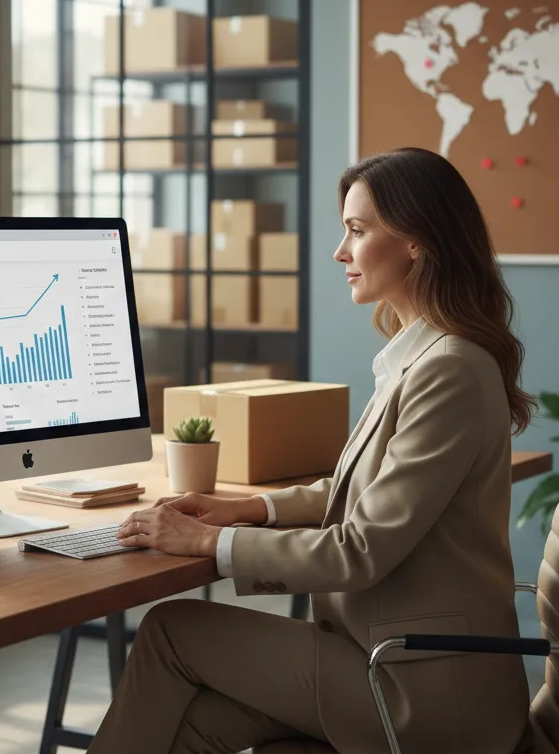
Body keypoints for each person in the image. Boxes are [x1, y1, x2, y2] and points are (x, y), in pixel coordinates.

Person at [88, 147, 538, 754]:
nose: (340, 251)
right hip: (386, 658)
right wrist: (248, 511)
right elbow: (359, 493)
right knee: (194, 725)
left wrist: (205, 544)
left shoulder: (449, 369)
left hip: (421, 687)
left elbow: (362, 550)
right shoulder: (424, 356)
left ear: (416, 241)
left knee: (171, 629)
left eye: (357, 230)